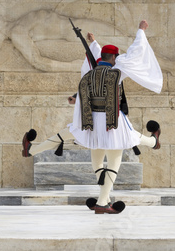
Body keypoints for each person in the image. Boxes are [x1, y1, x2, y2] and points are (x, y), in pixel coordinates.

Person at [22, 20, 163, 214]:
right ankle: (103, 202)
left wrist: (93, 44)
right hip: (111, 122)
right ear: (114, 57)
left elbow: (89, 78)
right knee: (117, 155)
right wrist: (141, 31)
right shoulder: (117, 72)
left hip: (89, 121)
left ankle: (32, 149)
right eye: (116, 57)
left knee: (74, 140)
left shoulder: (88, 75)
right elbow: (135, 53)